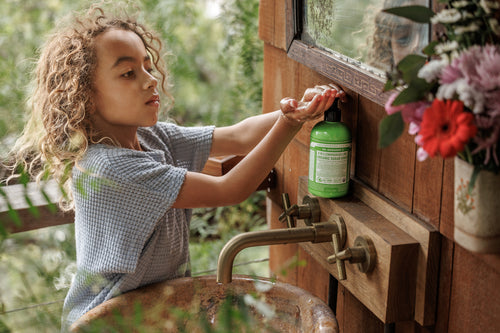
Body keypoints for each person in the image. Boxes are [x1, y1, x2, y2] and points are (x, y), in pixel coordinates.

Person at [8, 3, 345, 331]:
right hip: (109, 321)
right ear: (86, 96)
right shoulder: (108, 168)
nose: (150, 80)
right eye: (128, 73)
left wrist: (302, 108)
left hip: (153, 311)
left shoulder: (151, 137)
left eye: (147, 66)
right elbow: (229, 190)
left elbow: (239, 136)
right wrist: (288, 124)